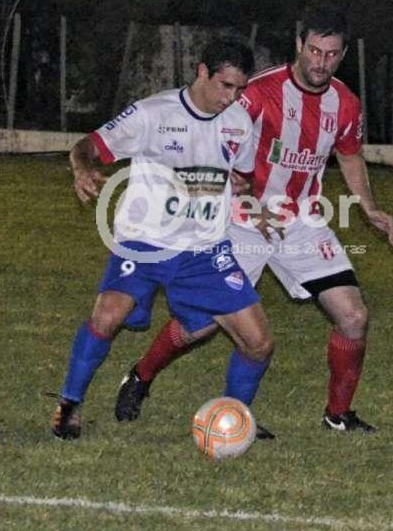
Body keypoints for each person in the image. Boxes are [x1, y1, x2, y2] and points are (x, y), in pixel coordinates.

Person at [114, 7, 393, 435]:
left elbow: (350, 155)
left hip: (300, 221)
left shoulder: (345, 103)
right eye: (314, 50)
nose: (321, 62)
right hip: (240, 221)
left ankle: (336, 415)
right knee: (201, 325)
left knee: (353, 316)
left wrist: (369, 207)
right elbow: (212, 138)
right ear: (299, 45)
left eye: (331, 54)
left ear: (343, 56)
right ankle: (141, 375)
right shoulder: (259, 92)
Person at [51, 39, 275, 440]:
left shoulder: (239, 121)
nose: (232, 97)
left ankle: (233, 420)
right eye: (225, 85)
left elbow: (242, 175)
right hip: (144, 242)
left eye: (240, 89)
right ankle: (70, 402)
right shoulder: (152, 113)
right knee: (107, 317)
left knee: (258, 343)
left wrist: (246, 196)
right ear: (202, 72)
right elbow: (87, 146)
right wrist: (81, 169)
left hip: (204, 250)